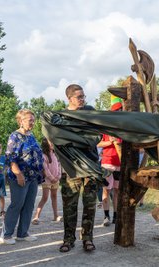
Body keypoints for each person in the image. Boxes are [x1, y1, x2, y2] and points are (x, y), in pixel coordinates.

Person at [59, 84, 98, 253]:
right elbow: (58, 141)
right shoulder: (61, 117)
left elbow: (96, 136)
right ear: (70, 98)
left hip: (90, 165)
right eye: (79, 97)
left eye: (83, 96)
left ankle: (87, 239)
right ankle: (68, 239)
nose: (83, 100)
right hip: (71, 168)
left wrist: (76, 139)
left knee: (89, 205)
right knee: (70, 206)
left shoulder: (89, 111)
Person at [0, 109, 44, 245]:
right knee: (17, 204)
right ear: (21, 121)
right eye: (30, 120)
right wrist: (18, 174)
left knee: (29, 205)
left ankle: (23, 233)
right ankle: (6, 234)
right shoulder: (14, 136)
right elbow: (10, 157)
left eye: (33, 120)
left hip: (32, 178)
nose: (32, 123)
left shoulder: (31, 136)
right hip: (19, 176)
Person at [97, 95, 122, 226]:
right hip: (107, 163)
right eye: (116, 111)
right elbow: (97, 144)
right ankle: (106, 217)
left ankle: (116, 217)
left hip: (119, 163)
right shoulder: (105, 127)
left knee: (117, 191)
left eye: (120, 110)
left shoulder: (123, 127)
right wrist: (109, 142)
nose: (118, 113)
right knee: (106, 190)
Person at [31, 138, 62, 224]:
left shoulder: (56, 154)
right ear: (45, 144)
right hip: (47, 180)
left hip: (56, 179)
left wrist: (58, 176)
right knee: (45, 197)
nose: (52, 143)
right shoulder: (43, 155)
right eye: (50, 142)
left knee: (54, 196)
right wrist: (52, 178)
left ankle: (56, 216)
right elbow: (45, 169)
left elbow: (59, 165)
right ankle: (36, 217)